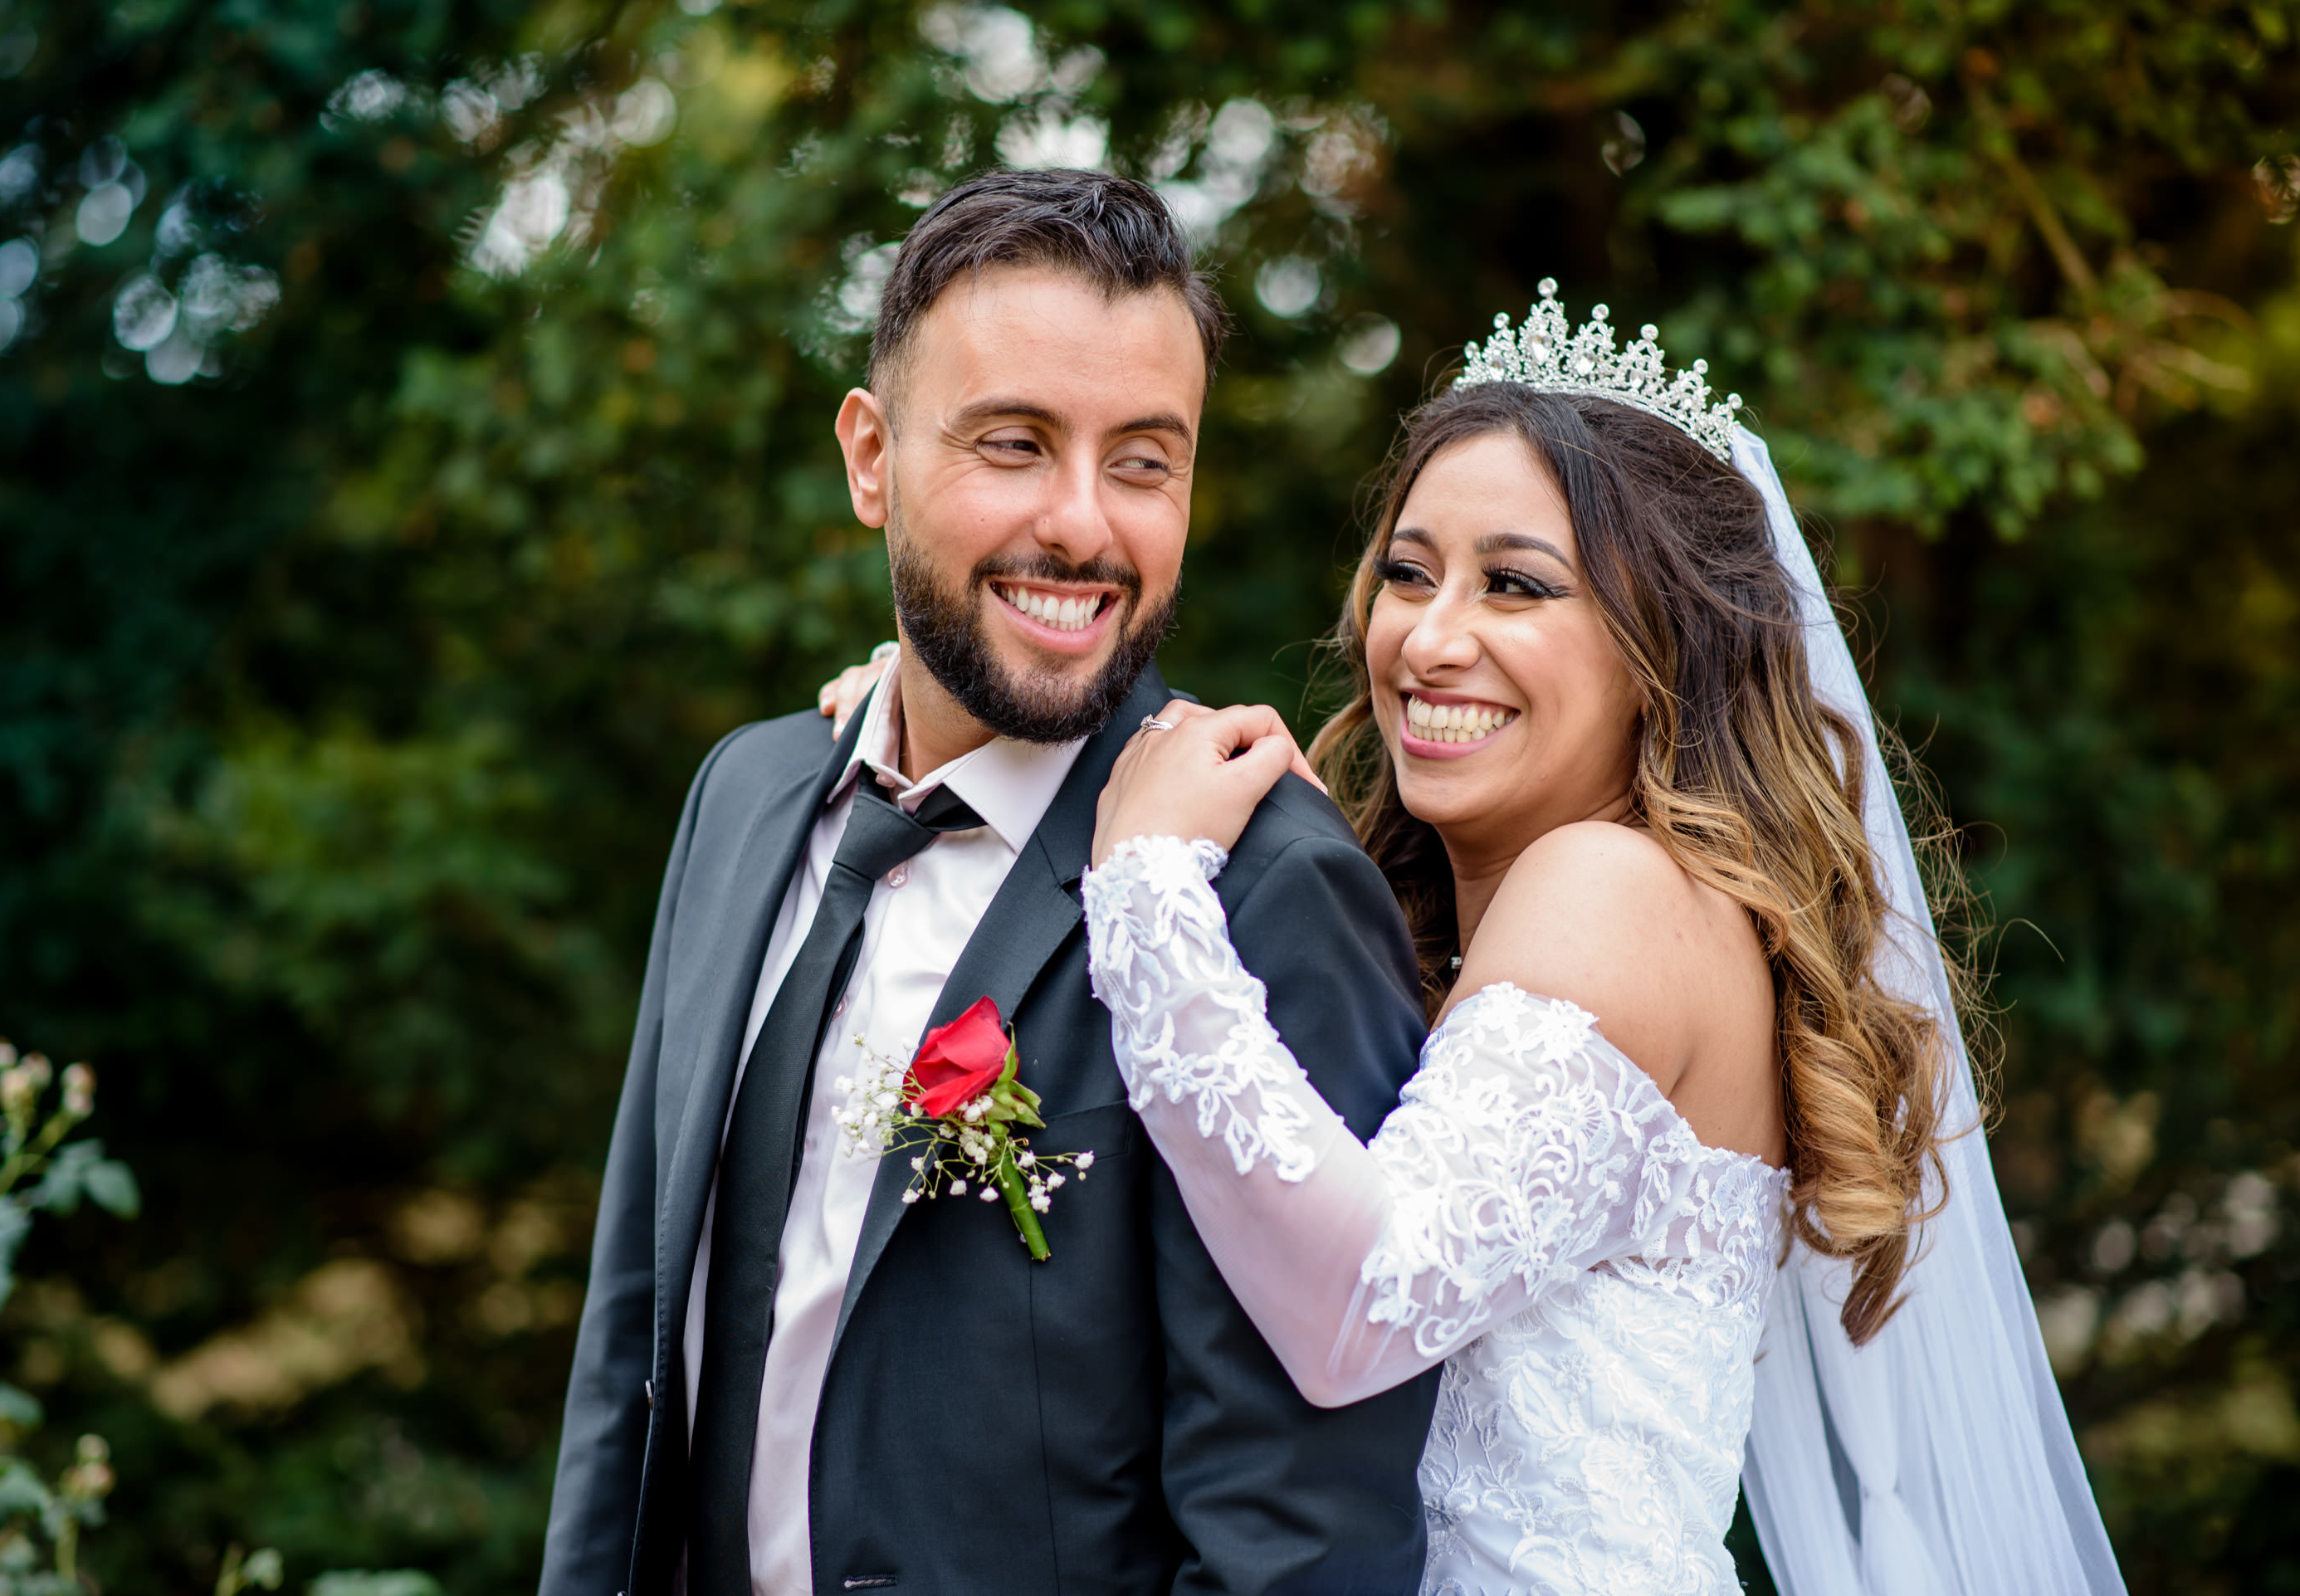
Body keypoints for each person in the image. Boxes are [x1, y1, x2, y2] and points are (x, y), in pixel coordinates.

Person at [823, 285, 2127, 1594]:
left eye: (1516, 585)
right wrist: (934, 727)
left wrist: (1150, 891)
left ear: (1660, 641)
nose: (1432, 640)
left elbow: (1356, 1310)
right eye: (1407, 573)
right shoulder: (1475, 925)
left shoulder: (1614, 891)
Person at [539, 168, 1440, 1596]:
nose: (1083, 526)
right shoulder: (748, 797)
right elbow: (631, 1352)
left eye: (1144, 460)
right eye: (1014, 444)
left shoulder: (1261, 892)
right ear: (870, 456)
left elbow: (1301, 1543)